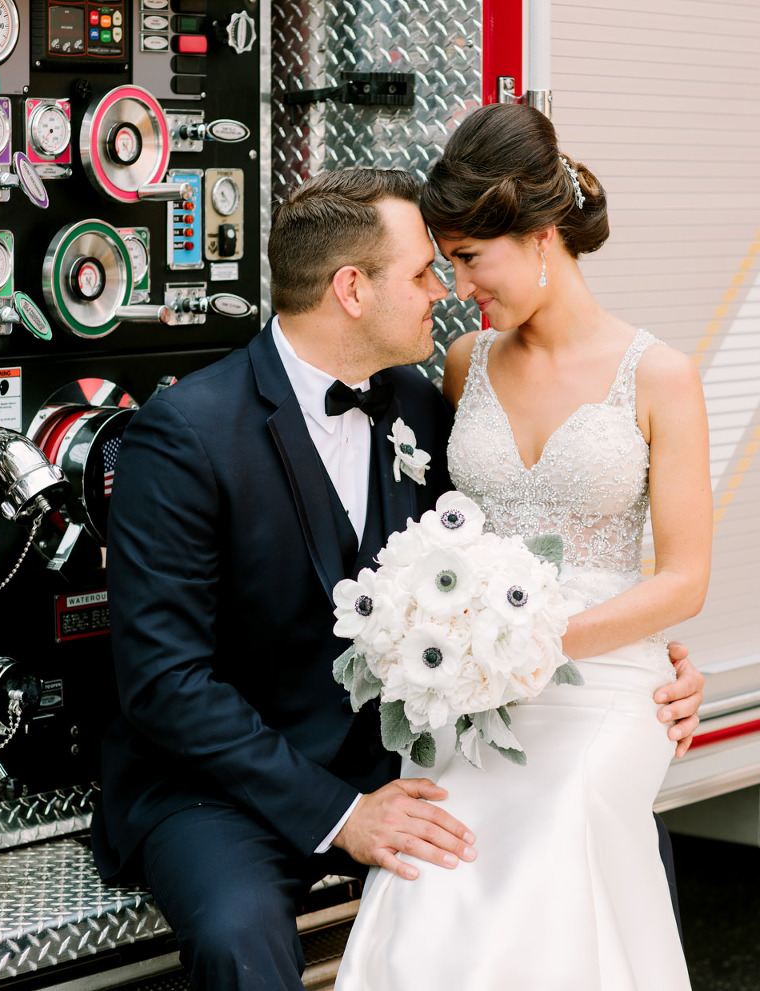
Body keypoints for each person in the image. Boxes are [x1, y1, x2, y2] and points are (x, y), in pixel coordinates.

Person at [90, 166, 704, 991]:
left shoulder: (417, 402)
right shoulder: (184, 436)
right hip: (218, 785)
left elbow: (508, 558)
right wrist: (342, 816)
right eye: (421, 273)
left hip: (396, 754)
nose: (441, 293)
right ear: (352, 289)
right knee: (240, 935)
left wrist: (656, 658)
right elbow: (166, 685)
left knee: (598, 832)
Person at [334, 105, 710, 990]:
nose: (460, 284)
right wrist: (454, 646)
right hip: (472, 691)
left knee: (563, 821)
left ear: (542, 237)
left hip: (610, 685)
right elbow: (439, 537)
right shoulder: (467, 363)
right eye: (450, 261)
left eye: (469, 258)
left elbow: (686, 578)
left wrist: (538, 644)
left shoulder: (659, 376)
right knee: (433, 854)